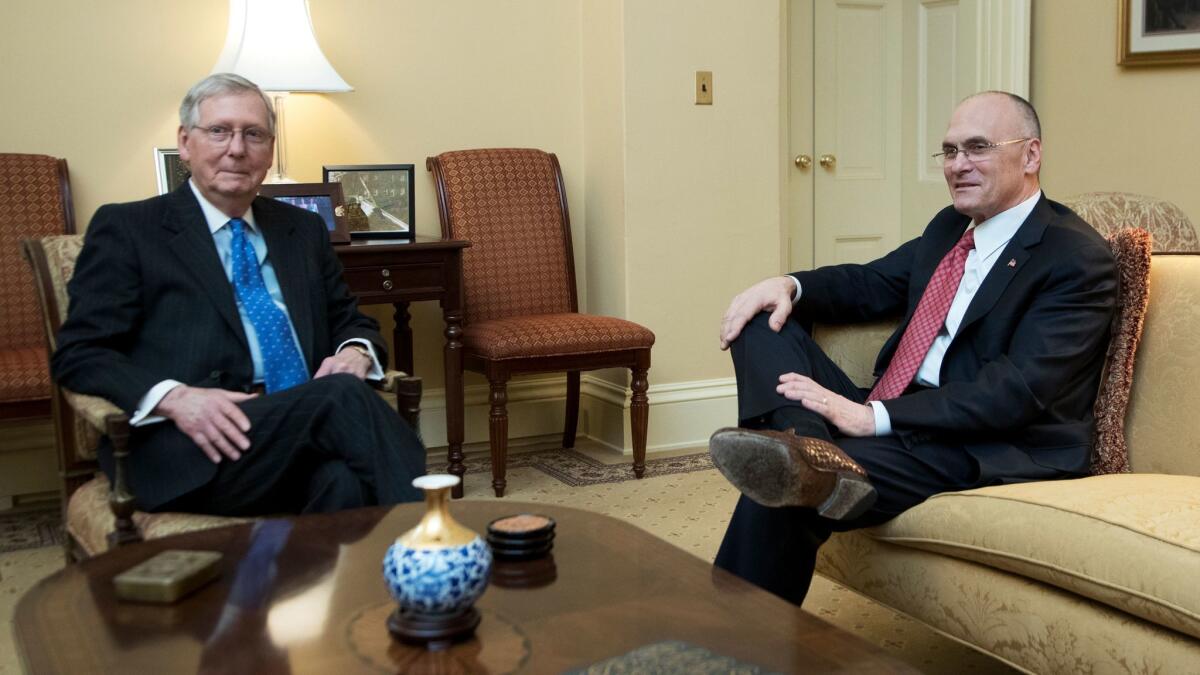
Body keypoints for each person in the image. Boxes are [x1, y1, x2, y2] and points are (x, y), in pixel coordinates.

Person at [709, 91, 1118, 605]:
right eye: (949, 152)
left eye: (977, 148)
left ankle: (725, 643)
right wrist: (789, 284)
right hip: (902, 413)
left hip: (981, 443)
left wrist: (874, 416)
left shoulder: (1074, 257)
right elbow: (872, 282)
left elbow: (1017, 391)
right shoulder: (949, 228)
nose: (958, 165)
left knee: (781, 496)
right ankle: (807, 450)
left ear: (1031, 155)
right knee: (763, 320)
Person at [51, 73, 425, 516]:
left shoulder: (301, 229)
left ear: (269, 151)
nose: (236, 148)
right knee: (342, 397)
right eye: (219, 131)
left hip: (298, 432)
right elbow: (79, 352)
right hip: (194, 444)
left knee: (343, 483)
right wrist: (175, 398)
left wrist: (356, 352)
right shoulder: (130, 229)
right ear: (185, 143)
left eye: (254, 134)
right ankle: (440, 546)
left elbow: (351, 320)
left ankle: (344, 583)